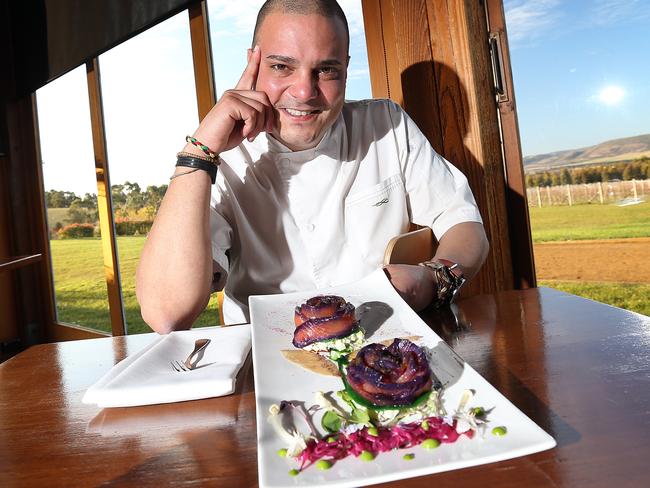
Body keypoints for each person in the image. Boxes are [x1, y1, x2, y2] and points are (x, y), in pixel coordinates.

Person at [136, 0, 489, 333]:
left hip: (386, 340)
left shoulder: (386, 125)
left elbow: (464, 223)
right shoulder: (222, 161)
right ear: (253, 63)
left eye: (326, 70)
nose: (305, 91)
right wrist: (199, 150)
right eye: (281, 66)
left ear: (346, 68)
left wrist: (434, 278)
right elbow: (166, 313)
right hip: (265, 359)